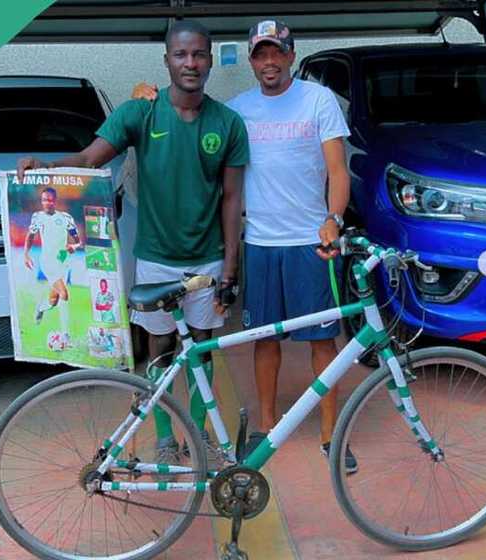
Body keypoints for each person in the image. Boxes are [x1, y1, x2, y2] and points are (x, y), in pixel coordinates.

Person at [18, 19, 249, 465]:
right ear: (166, 61)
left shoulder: (228, 123)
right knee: (159, 351)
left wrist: (231, 270)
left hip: (207, 261)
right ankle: (164, 434)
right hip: (156, 261)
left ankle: (199, 435)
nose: (191, 63)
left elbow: (233, 199)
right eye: (181, 54)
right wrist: (48, 166)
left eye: (199, 54)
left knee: (200, 350)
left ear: (210, 60)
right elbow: (89, 158)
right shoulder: (139, 112)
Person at [131, 19, 358, 473]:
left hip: (310, 242)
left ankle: (332, 433)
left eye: (277, 52)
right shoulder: (236, 111)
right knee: (266, 339)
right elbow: (190, 112)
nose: (269, 61)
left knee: (321, 341)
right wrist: (147, 93)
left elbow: (338, 171)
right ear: (251, 60)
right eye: (260, 54)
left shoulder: (318, 101)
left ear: (291, 55)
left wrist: (332, 220)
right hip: (260, 242)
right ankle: (266, 427)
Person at [24, 187, 82, 350]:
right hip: (47, 261)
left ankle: (40, 308)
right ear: (41, 201)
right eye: (44, 200)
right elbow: (30, 236)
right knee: (64, 294)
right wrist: (26, 255)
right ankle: (66, 338)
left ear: (54, 201)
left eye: (49, 200)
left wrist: (73, 246)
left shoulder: (65, 218)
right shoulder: (38, 217)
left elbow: (78, 241)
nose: (47, 203)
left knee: (54, 301)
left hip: (63, 260)